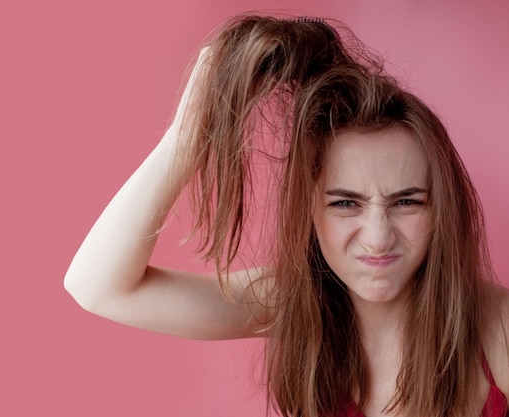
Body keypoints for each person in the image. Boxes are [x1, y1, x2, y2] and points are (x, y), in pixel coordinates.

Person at [63, 14, 509, 417]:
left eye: (407, 202)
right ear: (310, 212)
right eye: (345, 203)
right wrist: (186, 141)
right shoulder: (293, 302)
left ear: (441, 208)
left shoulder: (498, 328)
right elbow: (98, 287)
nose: (377, 237)